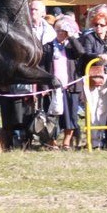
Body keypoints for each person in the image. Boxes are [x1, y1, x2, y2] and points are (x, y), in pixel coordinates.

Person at [41, 20, 85, 149]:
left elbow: (81, 52)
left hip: (70, 86)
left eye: (63, 30)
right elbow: (42, 67)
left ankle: (67, 140)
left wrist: (71, 37)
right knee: (52, 116)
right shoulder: (48, 47)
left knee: (70, 115)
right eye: (58, 30)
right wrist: (44, 87)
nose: (61, 33)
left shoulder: (71, 47)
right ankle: (52, 141)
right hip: (53, 87)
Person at [80, 9, 107, 149]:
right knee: (92, 108)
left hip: (106, 78)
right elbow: (86, 53)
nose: (99, 27)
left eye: (102, 24)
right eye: (96, 25)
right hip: (93, 77)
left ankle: (100, 139)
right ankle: (93, 141)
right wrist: (98, 56)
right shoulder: (89, 38)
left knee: (103, 109)